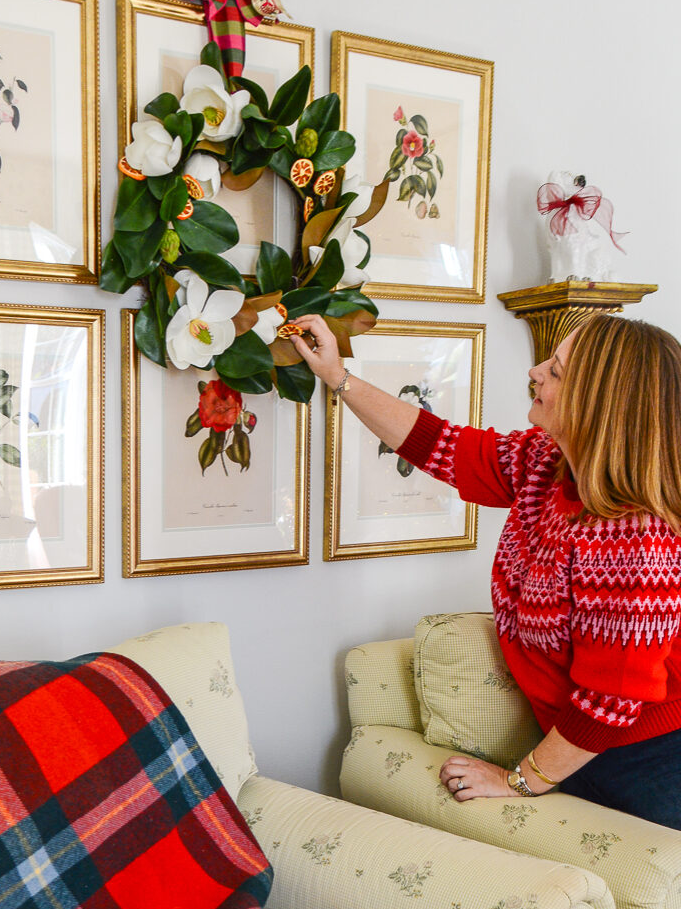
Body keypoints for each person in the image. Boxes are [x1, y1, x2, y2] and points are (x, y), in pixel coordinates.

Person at [291, 311, 681, 828]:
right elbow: (441, 444)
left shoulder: (633, 536)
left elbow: (610, 702)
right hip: (587, 749)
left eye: (558, 372)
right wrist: (338, 377)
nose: (537, 371)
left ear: (600, 404)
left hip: (650, 762)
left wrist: (519, 780)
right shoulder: (548, 462)